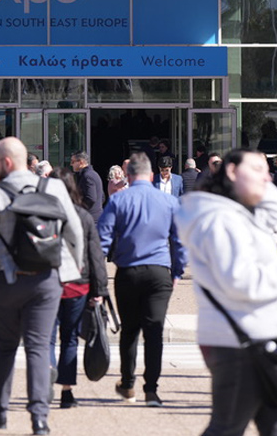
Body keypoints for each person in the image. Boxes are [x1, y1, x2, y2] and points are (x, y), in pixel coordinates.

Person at [183, 149, 277, 436]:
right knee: (227, 427)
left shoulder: (239, 214)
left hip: (254, 335)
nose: (268, 177)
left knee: (276, 426)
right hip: (238, 342)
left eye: (268, 170)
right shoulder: (221, 220)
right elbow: (239, 281)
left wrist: (257, 180)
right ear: (233, 172)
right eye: (258, 170)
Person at [0, 137, 84, 435]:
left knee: (3, 345)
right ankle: (39, 418)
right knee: (38, 346)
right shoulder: (54, 188)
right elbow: (75, 231)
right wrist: (70, 268)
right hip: (46, 278)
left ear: (7, 162)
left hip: (5, 279)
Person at [97, 152, 185, 407]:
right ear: (151, 174)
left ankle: (128, 383)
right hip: (159, 270)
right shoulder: (169, 202)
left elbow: (102, 240)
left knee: (130, 329)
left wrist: (97, 274)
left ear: (129, 175)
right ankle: (152, 389)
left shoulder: (119, 200)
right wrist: (177, 272)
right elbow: (179, 241)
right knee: (154, 330)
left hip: (128, 270)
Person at [48, 168, 108, 410]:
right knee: (70, 338)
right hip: (77, 284)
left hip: (48, 283)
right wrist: (99, 290)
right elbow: (95, 256)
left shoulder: (41, 213)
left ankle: (47, 374)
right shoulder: (82, 215)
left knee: (46, 338)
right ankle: (66, 391)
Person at [69, 151, 105, 222]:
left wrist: (79, 209)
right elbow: (102, 197)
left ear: (81, 162)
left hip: (90, 218)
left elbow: (91, 198)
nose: (71, 164)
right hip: (94, 217)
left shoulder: (87, 176)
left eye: (73, 161)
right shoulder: (92, 174)